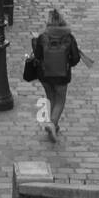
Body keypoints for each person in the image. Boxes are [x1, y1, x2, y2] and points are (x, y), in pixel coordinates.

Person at [32, 9, 82, 141]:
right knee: (60, 100)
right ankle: (52, 124)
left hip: (45, 74)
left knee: (50, 98)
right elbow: (76, 58)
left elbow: (37, 56)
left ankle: (54, 124)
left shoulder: (43, 37)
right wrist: (66, 63)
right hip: (61, 75)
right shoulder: (68, 37)